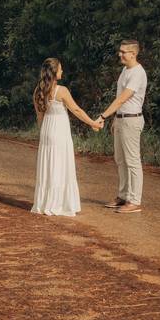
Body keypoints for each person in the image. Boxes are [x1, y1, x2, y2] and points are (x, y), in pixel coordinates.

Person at [31, 57, 103, 216]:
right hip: (59, 132)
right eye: (61, 69)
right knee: (60, 165)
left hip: (47, 131)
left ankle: (45, 202)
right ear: (55, 72)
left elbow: (39, 117)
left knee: (49, 166)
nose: (62, 71)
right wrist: (93, 123)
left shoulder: (38, 91)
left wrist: (43, 134)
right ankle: (59, 203)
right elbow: (76, 110)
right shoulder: (61, 90)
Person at [97, 40, 148, 214]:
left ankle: (134, 201)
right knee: (120, 159)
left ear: (134, 53)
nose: (120, 54)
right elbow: (120, 98)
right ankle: (123, 195)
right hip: (121, 119)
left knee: (132, 160)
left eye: (124, 52)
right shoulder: (125, 70)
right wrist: (115, 119)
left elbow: (122, 99)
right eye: (120, 51)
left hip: (132, 120)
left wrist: (103, 116)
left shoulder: (137, 73)